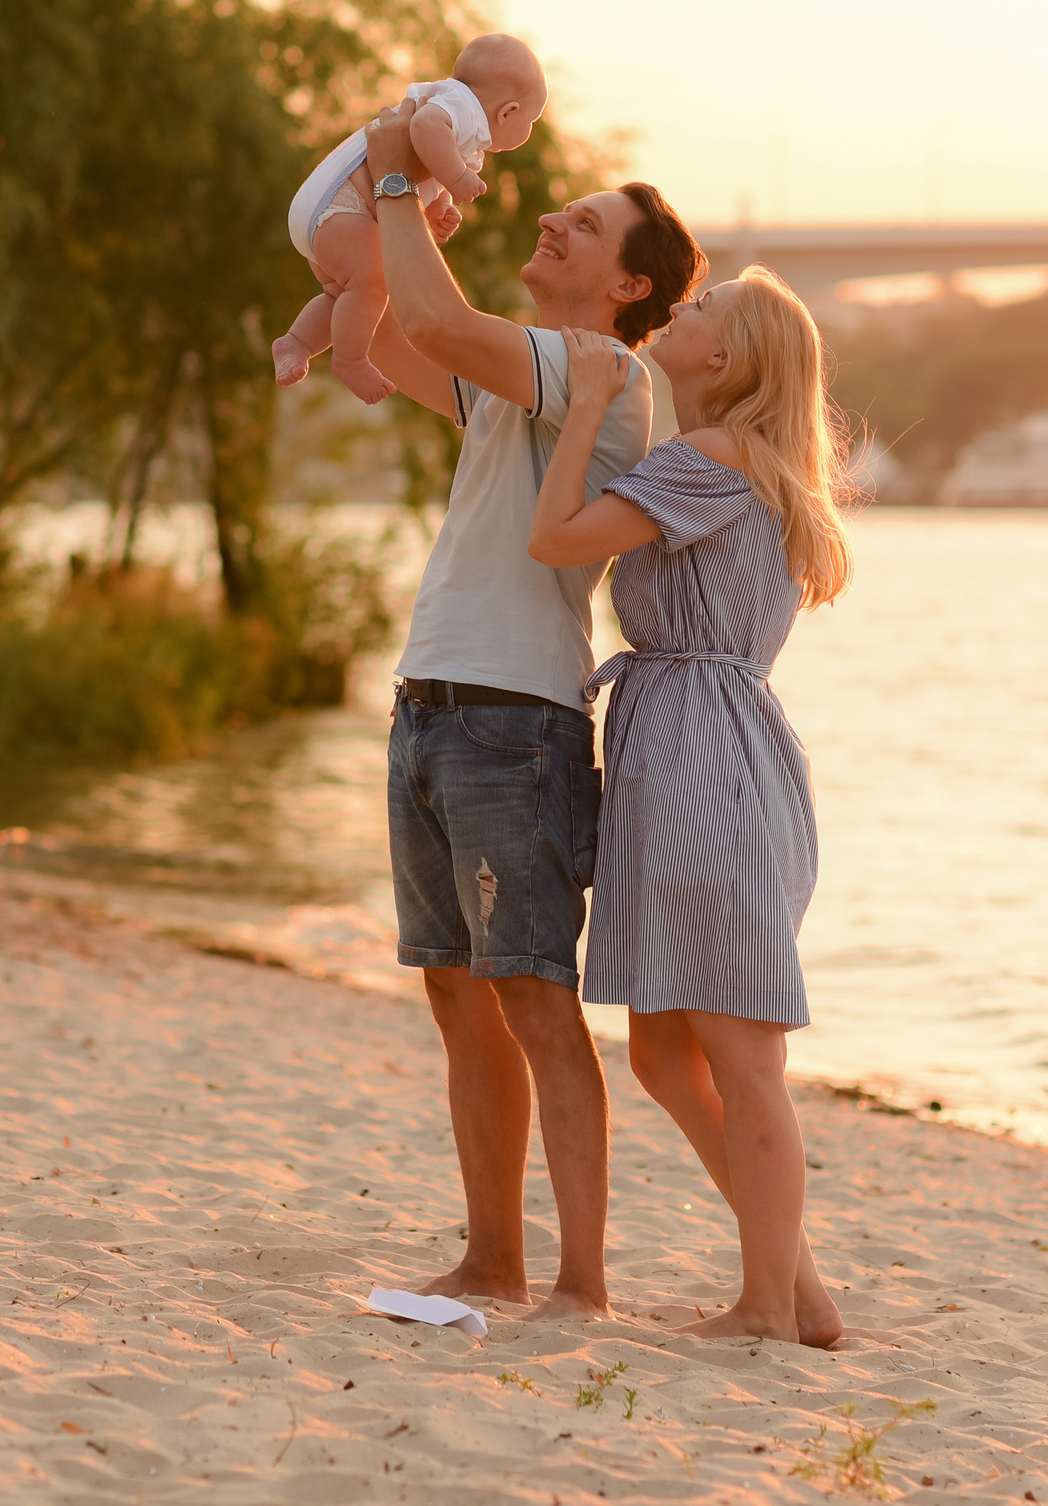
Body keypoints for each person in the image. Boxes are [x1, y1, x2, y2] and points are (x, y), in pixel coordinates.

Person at [355, 100, 705, 1320]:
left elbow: (439, 317)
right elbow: (394, 339)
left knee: (534, 999)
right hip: (432, 701)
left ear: (628, 283)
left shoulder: (604, 376)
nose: (556, 216)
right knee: (458, 991)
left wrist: (400, 184)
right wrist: (367, 210)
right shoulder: (522, 375)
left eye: (587, 223)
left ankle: (582, 1283)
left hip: (515, 718)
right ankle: (491, 1260)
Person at [525, 267, 855, 1348]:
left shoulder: (710, 459)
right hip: (695, 746)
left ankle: (764, 1303)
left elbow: (559, 536)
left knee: (739, 1051)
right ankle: (797, 1290)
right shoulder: (734, 465)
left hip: (702, 756)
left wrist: (580, 405)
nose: (681, 311)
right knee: (667, 1053)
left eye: (701, 313)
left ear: (728, 359)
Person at [273, 34, 549, 404]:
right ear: (509, 112)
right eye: (531, 120)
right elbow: (424, 130)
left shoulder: (459, 122)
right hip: (342, 203)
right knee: (374, 283)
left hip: (330, 213)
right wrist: (458, 178)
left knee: (345, 293)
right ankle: (350, 360)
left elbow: (422, 164)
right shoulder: (463, 106)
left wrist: (438, 206)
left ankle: (297, 343)